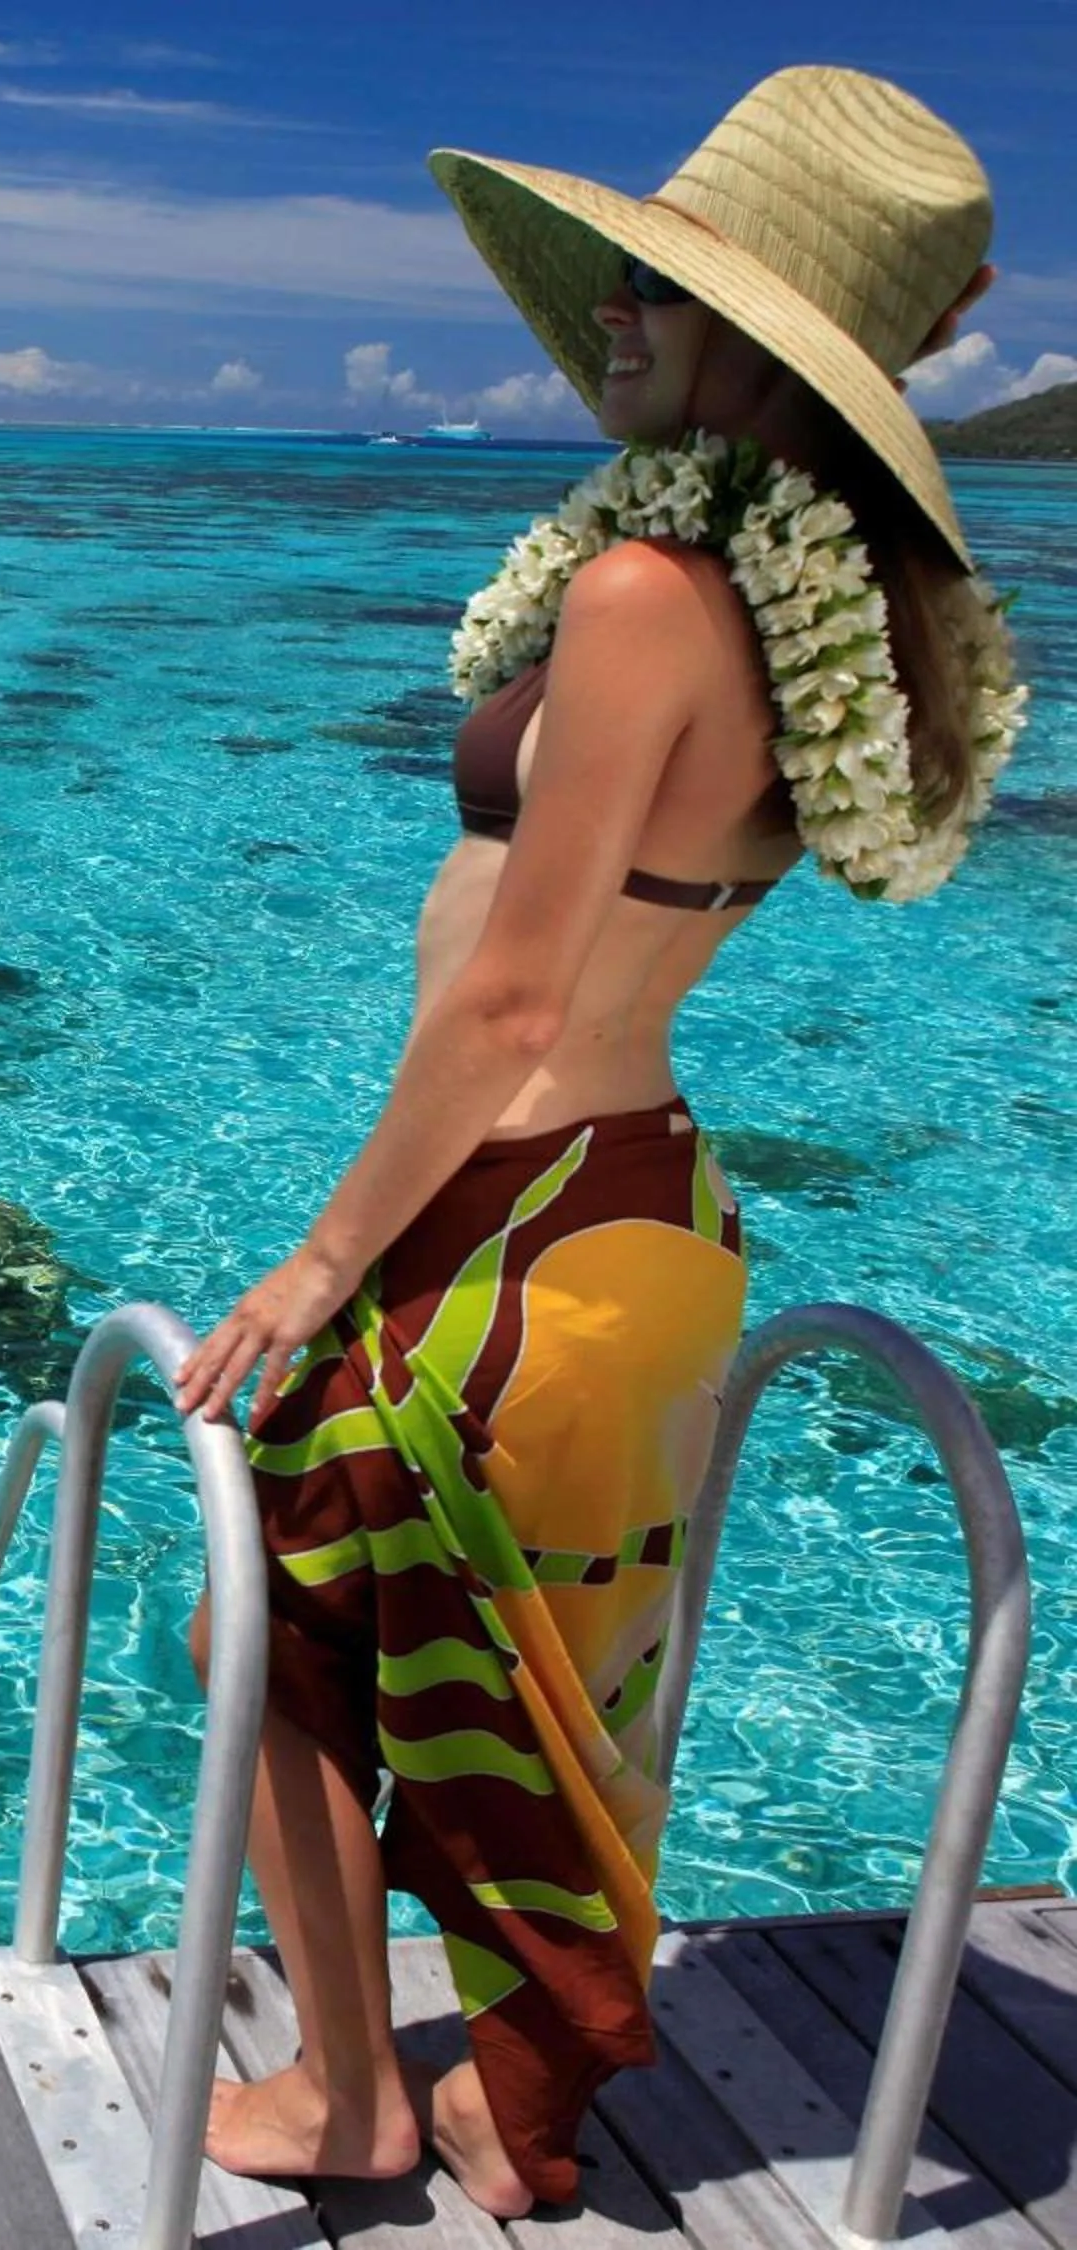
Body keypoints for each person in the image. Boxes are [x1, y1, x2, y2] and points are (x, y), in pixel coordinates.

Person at [170, 67, 1023, 2219]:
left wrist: (320, 1257)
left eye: (661, 285)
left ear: (761, 335)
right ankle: (472, 2088)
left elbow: (519, 996)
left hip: (514, 1213)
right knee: (523, 1675)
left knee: (262, 1635)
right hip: (640, 1211)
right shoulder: (770, 605)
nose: (613, 316)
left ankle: (361, 2093)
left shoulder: (653, 595)